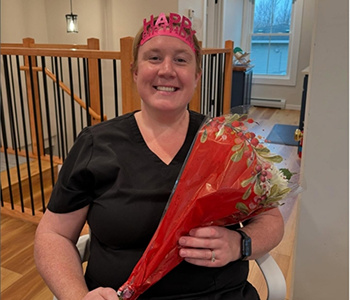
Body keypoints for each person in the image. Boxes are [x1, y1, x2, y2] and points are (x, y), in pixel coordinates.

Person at [34, 12, 284, 300]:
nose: (167, 70)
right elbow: (53, 235)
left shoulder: (227, 142)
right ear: (135, 71)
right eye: (154, 57)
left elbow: (272, 219)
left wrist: (240, 244)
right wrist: (77, 296)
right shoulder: (96, 144)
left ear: (197, 75)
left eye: (181, 59)